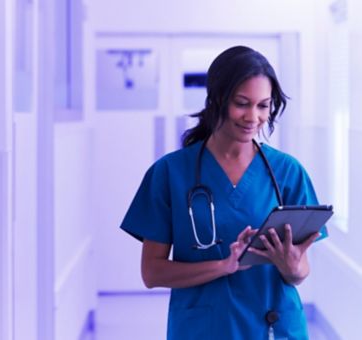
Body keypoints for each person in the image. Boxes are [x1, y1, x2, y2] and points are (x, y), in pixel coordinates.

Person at [120, 45, 327, 339]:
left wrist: (292, 265)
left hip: (273, 326)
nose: (253, 117)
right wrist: (224, 266)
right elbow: (152, 273)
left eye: (263, 105)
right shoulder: (169, 173)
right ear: (216, 99)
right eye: (242, 103)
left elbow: (300, 271)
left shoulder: (287, 172)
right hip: (204, 328)